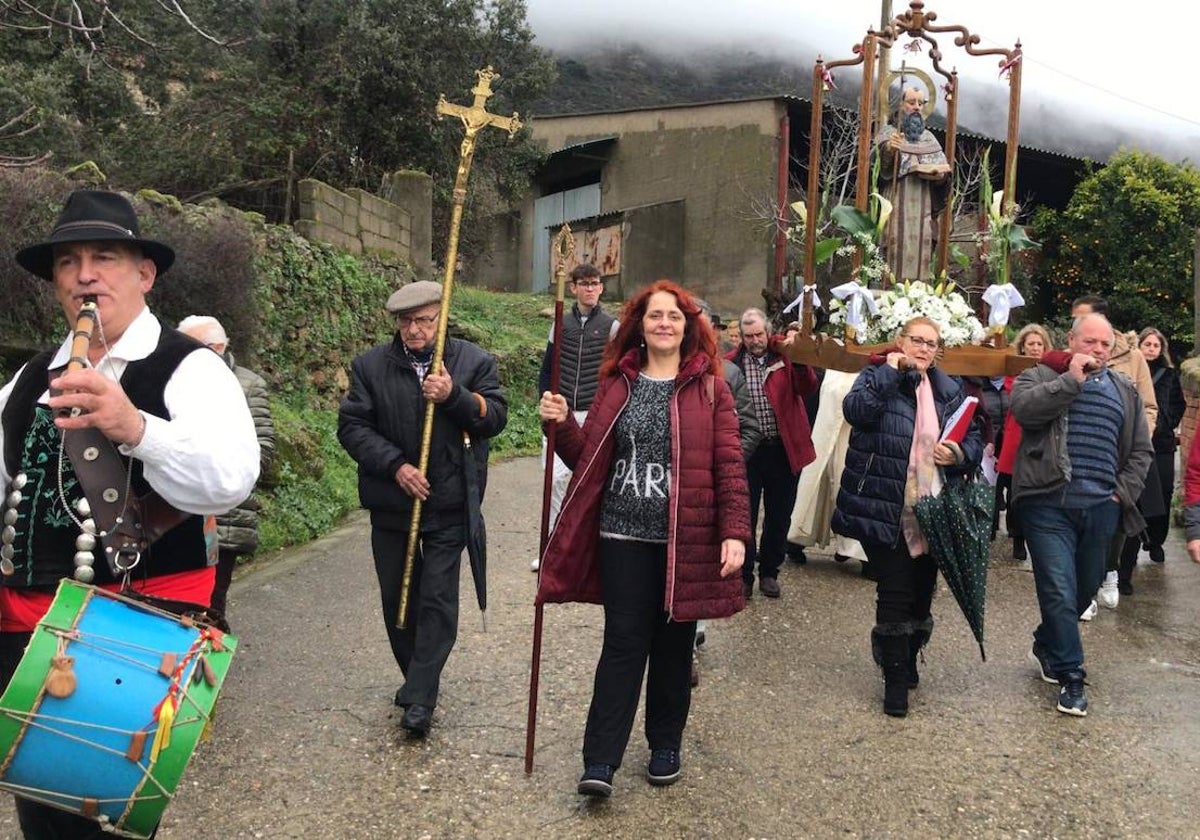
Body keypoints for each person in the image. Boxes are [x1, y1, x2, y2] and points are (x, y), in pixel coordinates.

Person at [0, 189, 260, 837]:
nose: (85, 274)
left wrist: (135, 426)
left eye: (105, 257)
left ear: (144, 274)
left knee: (96, 818)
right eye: (69, 262)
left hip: (135, 633)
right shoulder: (28, 380)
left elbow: (231, 479)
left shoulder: (189, 369)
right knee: (43, 817)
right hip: (23, 633)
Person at [536, 280, 749, 797]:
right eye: (655, 316)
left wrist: (735, 533)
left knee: (674, 646)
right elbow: (589, 458)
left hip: (687, 537)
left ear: (688, 326)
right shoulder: (617, 383)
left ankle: (664, 744)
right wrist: (561, 425)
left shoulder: (710, 388)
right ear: (639, 324)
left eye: (673, 316)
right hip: (621, 534)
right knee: (623, 645)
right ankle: (601, 759)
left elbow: (729, 465)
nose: (664, 323)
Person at [337, 280, 507, 737]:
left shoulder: (472, 361)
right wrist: (396, 467)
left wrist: (454, 396)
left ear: (442, 318)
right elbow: (353, 428)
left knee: (437, 601)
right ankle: (417, 675)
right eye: (406, 321)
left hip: (450, 503)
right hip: (394, 505)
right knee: (399, 600)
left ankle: (420, 697)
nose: (413, 329)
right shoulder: (371, 367)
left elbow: (496, 417)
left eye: (424, 320)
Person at [832, 317, 982, 718]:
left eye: (931, 344)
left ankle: (909, 657)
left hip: (933, 509)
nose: (923, 349)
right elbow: (856, 411)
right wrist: (890, 373)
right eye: (917, 340)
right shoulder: (876, 376)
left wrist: (959, 453)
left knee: (921, 591)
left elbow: (973, 437)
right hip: (887, 506)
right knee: (895, 590)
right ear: (901, 341)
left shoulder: (950, 389)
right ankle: (894, 678)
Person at [1011, 313, 1152, 717]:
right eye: (1090, 342)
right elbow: (1025, 412)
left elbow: (1140, 451)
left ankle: (1046, 641)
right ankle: (1072, 676)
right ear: (1071, 341)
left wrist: (1119, 495)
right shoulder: (1039, 376)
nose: (1098, 350)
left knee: (1084, 588)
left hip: (1101, 507)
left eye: (1105, 345)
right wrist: (1070, 380)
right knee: (1057, 587)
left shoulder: (1124, 390)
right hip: (1047, 502)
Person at [177, 315, 275, 630]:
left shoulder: (247, 385)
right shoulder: (173, 379)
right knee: (176, 598)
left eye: (190, 348)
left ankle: (206, 671)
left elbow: (262, 452)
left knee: (211, 603)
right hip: (175, 510)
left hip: (225, 514)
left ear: (217, 348)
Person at [1069, 295, 1157, 612]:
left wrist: (1133, 440)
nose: (1095, 346)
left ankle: (1110, 574)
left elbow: (1147, 405)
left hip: (1120, 459)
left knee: (1119, 526)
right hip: (1075, 473)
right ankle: (1077, 602)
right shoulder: (1063, 361)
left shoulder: (1132, 358)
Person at [532, 263, 618, 571]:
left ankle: (588, 551)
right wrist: (547, 401)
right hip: (562, 411)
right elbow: (547, 368)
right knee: (554, 480)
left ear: (601, 287)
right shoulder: (560, 323)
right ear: (574, 288)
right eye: (584, 284)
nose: (590, 289)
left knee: (590, 481)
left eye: (595, 283)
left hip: (594, 414)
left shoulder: (612, 326)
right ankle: (552, 548)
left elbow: (616, 373)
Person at [728, 307, 818, 599]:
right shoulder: (732, 364)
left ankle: (769, 572)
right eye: (749, 336)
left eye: (759, 334)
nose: (755, 340)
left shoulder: (785, 357)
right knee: (746, 514)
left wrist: (801, 359)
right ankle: (744, 577)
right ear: (741, 337)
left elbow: (807, 387)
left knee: (779, 515)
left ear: (768, 332)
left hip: (783, 448)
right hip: (749, 450)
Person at [1119, 327, 1186, 580]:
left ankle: (1156, 540)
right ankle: (1133, 547)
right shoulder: (1131, 371)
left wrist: (1166, 423)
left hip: (1163, 445)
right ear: (1139, 346)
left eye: (1155, 346)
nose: (1151, 349)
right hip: (1137, 444)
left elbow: (1179, 403)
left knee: (1164, 494)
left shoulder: (1168, 374)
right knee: (1138, 497)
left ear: (1161, 349)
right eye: (1147, 344)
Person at [875, 85, 951, 282]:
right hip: (897, 202)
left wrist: (939, 175)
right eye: (911, 102)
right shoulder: (889, 133)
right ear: (901, 105)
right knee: (893, 248)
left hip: (923, 208)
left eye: (920, 103)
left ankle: (920, 294)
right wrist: (890, 149)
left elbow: (944, 172)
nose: (917, 107)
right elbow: (876, 168)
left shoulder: (929, 138)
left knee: (922, 254)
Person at [995, 323, 1053, 567]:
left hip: (1040, 438)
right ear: (1023, 347)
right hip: (1015, 436)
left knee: (1027, 492)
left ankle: (1022, 536)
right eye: (1031, 344)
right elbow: (1014, 393)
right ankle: (1016, 535)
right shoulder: (1013, 374)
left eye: (1040, 344)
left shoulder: (1051, 371)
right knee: (1011, 488)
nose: (1036, 348)